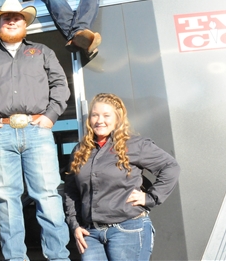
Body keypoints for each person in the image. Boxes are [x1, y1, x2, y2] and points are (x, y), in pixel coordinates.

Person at [0, 0, 71, 261]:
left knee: (47, 195)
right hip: (1, 133)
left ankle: (58, 257)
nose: (11, 20)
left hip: (38, 130)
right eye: (6, 16)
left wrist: (50, 116)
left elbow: (60, 85)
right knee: (7, 200)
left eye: (17, 17)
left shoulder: (42, 51)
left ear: (25, 23)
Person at [64, 93, 180, 261]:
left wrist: (151, 197)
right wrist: (74, 225)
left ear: (117, 118)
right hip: (91, 234)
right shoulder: (80, 151)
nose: (99, 120)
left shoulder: (134, 145)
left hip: (128, 229)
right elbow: (71, 191)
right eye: (95, 115)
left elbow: (171, 167)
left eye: (106, 115)